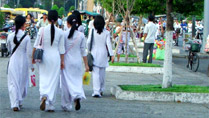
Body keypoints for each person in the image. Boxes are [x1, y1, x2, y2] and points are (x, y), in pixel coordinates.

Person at [32, 10, 65, 112]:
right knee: (54, 80)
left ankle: (44, 95)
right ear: (57, 20)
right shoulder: (60, 32)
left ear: (47, 18)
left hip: (44, 57)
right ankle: (50, 104)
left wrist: (32, 57)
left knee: (43, 77)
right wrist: (62, 61)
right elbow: (62, 49)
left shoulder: (42, 29)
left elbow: (36, 45)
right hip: (55, 57)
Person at [61, 15, 89, 111]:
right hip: (77, 62)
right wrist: (86, 65)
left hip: (66, 62)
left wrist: (61, 61)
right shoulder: (81, 35)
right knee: (77, 81)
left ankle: (66, 104)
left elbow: (62, 50)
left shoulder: (64, 34)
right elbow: (83, 52)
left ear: (67, 23)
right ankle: (77, 96)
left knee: (65, 83)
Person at [7, 15, 34, 111]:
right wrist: (31, 66)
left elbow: (9, 49)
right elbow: (29, 53)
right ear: (23, 25)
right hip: (23, 61)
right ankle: (19, 100)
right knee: (22, 82)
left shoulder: (10, 36)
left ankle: (14, 103)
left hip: (13, 61)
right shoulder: (26, 37)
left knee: (13, 83)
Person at [87, 15, 114, 98]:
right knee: (102, 73)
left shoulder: (92, 31)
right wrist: (112, 55)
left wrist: (88, 50)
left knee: (95, 73)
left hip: (94, 53)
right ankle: (101, 89)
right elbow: (109, 44)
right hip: (103, 54)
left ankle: (96, 91)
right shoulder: (106, 33)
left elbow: (88, 42)